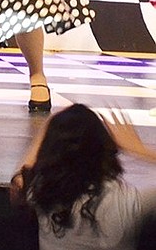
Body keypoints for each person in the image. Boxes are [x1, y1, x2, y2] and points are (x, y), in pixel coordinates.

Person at [13, 104, 156, 249]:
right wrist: (139, 149)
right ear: (103, 147)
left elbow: (20, 176)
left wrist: (47, 130)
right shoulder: (127, 201)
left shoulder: (40, 193)